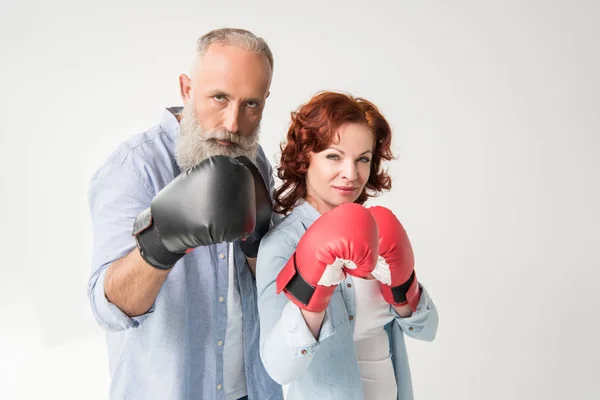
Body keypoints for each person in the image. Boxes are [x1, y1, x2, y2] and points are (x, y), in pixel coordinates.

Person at [87, 28, 283, 400]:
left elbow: (268, 290)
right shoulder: (134, 168)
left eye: (251, 104)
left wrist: (258, 245)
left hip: (253, 389)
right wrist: (161, 243)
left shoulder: (255, 162)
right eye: (219, 97)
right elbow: (108, 309)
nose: (232, 123)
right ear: (187, 89)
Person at [256, 91, 439, 400]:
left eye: (362, 159)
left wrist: (403, 285)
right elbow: (278, 368)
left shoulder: (379, 232)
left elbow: (426, 330)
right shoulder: (282, 244)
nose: (351, 174)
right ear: (305, 158)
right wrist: (313, 293)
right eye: (333, 156)